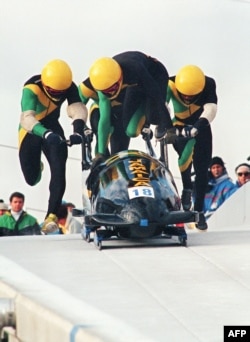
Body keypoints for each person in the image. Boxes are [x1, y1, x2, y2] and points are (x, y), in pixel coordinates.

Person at [18, 59, 88, 233]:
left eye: (60, 92)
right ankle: (37, 167)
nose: (57, 95)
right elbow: (27, 118)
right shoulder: (31, 87)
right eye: (52, 92)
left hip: (52, 126)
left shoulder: (69, 86)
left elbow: (78, 108)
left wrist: (78, 131)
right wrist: (45, 134)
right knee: (31, 179)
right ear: (45, 84)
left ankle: (51, 216)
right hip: (32, 129)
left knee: (59, 167)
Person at [78, 51, 174, 162]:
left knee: (152, 117)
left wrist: (168, 125)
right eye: (105, 92)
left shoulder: (134, 70)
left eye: (112, 89)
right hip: (118, 105)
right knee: (121, 134)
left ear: (119, 79)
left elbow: (155, 93)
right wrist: (99, 153)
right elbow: (103, 119)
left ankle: (150, 116)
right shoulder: (99, 85)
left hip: (153, 76)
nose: (110, 94)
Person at [166, 65, 218, 230]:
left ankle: (199, 209)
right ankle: (187, 187)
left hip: (200, 126)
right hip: (179, 126)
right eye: (184, 96)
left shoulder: (209, 83)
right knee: (184, 159)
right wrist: (166, 128)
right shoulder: (170, 84)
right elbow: (162, 105)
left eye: (192, 96)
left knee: (202, 168)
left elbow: (211, 109)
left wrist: (197, 127)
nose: (187, 98)